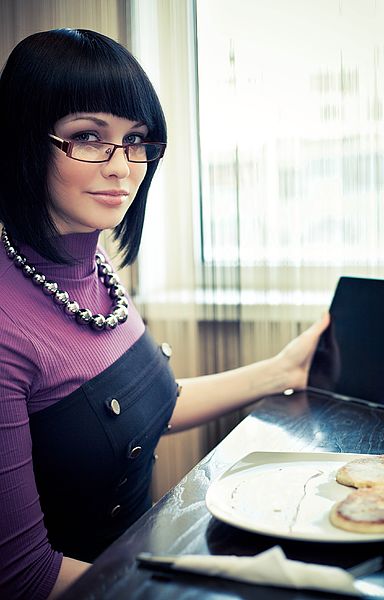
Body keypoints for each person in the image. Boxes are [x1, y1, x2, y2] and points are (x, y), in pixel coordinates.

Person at [0, 28, 329, 599]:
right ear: (24, 141)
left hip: (134, 563)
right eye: (88, 137)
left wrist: (282, 371)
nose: (123, 167)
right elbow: (25, 578)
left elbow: (147, 406)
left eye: (136, 141)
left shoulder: (95, 263)